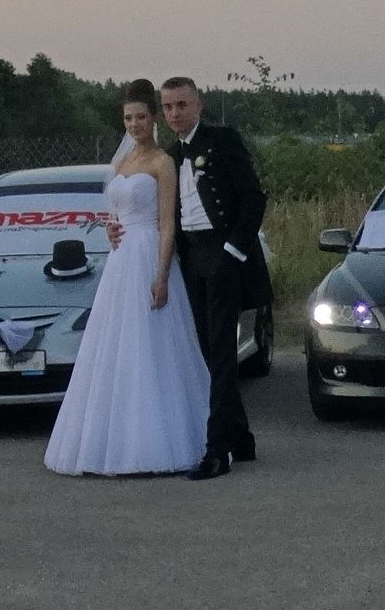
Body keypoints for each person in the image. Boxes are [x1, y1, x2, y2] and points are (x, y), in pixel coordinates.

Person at [41, 81, 211, 477]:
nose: (135, 124)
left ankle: (159, 440)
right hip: (120, 262)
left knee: (152, 345)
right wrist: (110, 228)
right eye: (128, 118)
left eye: (141, 117)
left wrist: (162, 275)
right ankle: (111, 440)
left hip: (149, 253)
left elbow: (167, 225)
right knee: (114, 345)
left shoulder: (162, 163)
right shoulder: (121, 163)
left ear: (154, 119)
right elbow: (115, 212)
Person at [159, 76, 265, 480]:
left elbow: (253, 197)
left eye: (181, 105)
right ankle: (242, 438)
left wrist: (232, 252)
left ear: (199, 104)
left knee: (221, 352)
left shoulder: (222, 140)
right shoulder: (171, 155)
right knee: (205, 351)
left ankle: (217, 452)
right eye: (168, 107)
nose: (175, 113)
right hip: (190, 258)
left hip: (222, 253)